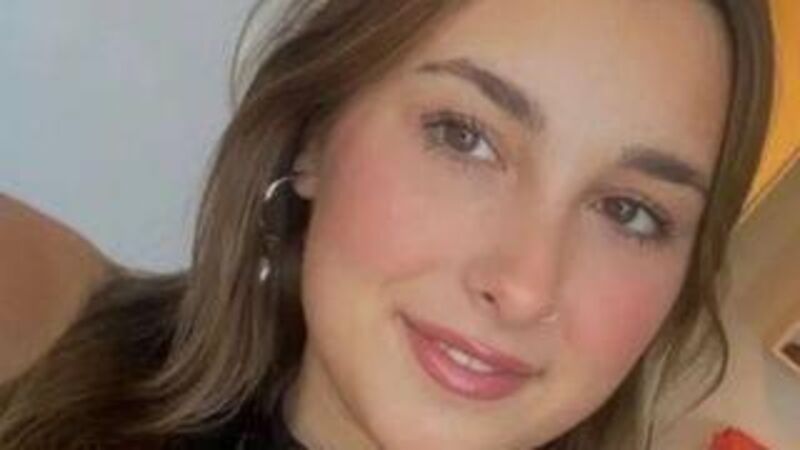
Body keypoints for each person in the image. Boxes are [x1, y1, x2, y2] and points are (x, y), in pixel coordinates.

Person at [0, 0, 774, 449]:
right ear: (313, 135)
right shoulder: (60, 345)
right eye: (463, 137)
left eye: (629, 212)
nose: (525, 285)